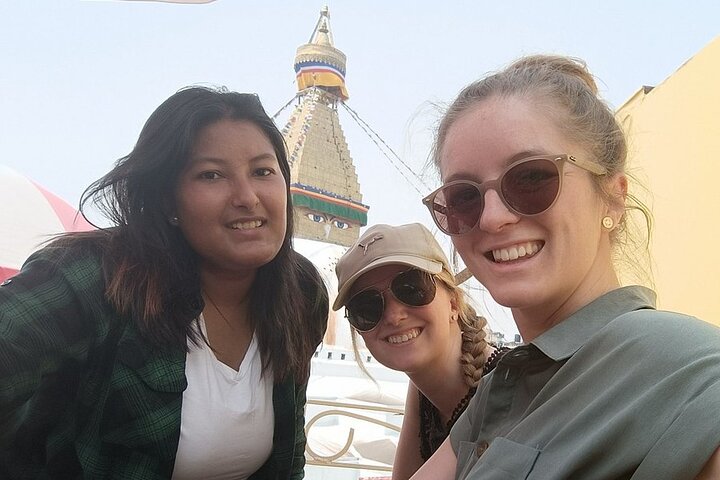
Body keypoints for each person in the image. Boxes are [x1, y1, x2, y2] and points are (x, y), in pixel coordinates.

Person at [412, 55, 720, 479]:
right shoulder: (504, 387)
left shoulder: (691, 375)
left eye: (532, 178)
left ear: (612, 197)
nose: (492, 218)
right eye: (463, 197)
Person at [0, 86, 328, 479]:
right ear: (168, 201)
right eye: (212, 175)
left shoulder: (302, 292)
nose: (247, 197)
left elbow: (287, 461)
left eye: (262, 171)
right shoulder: (94, 278)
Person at [333, 222, 504, 479]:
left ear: (454, 303)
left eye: (411, 289)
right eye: (366, 307)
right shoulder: (422, 390)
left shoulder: (512, 387)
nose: (394, 316)